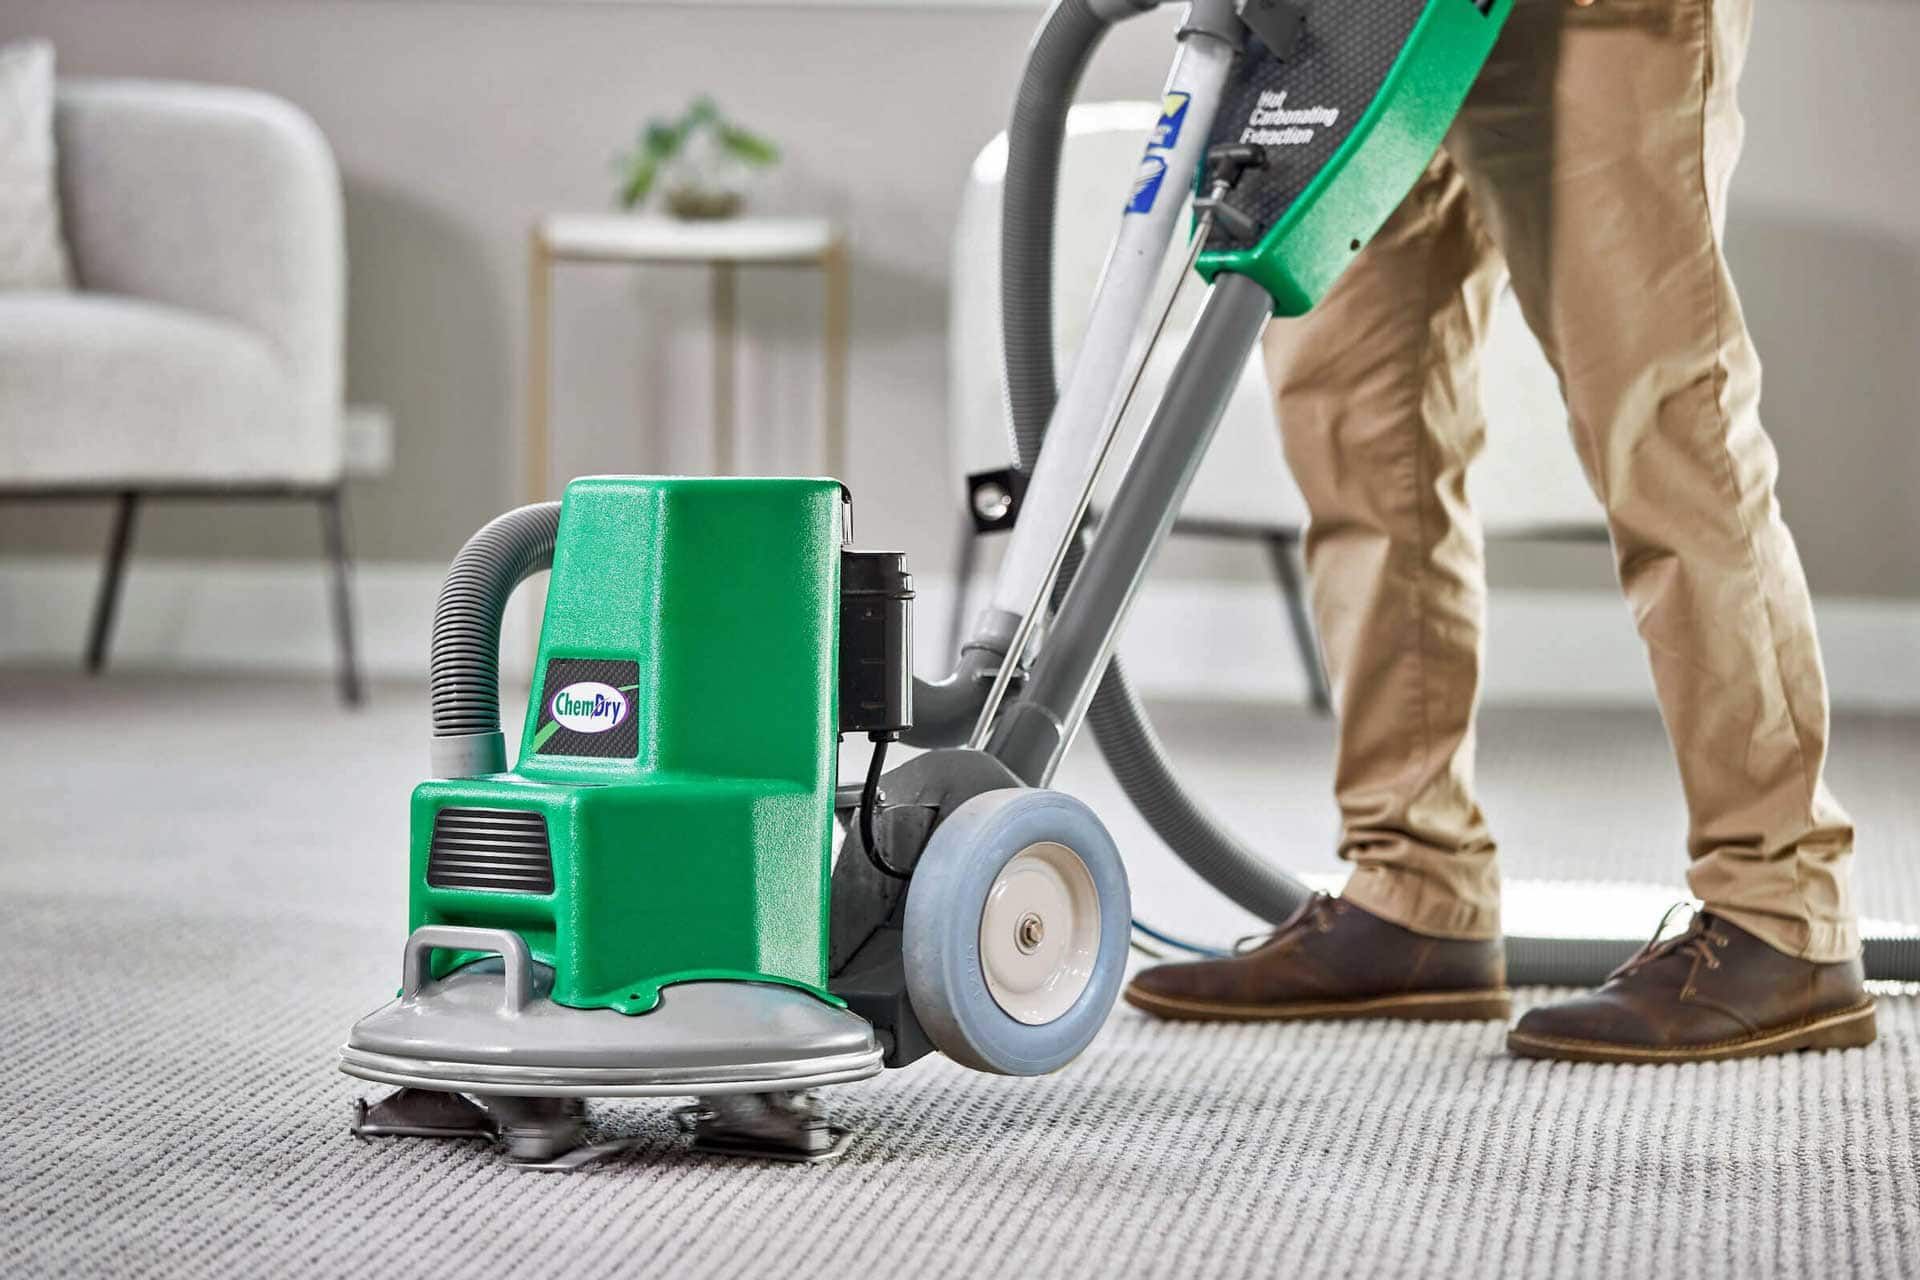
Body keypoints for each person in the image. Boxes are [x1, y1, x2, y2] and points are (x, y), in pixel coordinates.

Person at [1124, 0, 1875, 1063]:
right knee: (1358, 439)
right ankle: (1411, 882)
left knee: (1664, 431)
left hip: (1587, 17)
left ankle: (1779, 907)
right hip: (1360, 20)